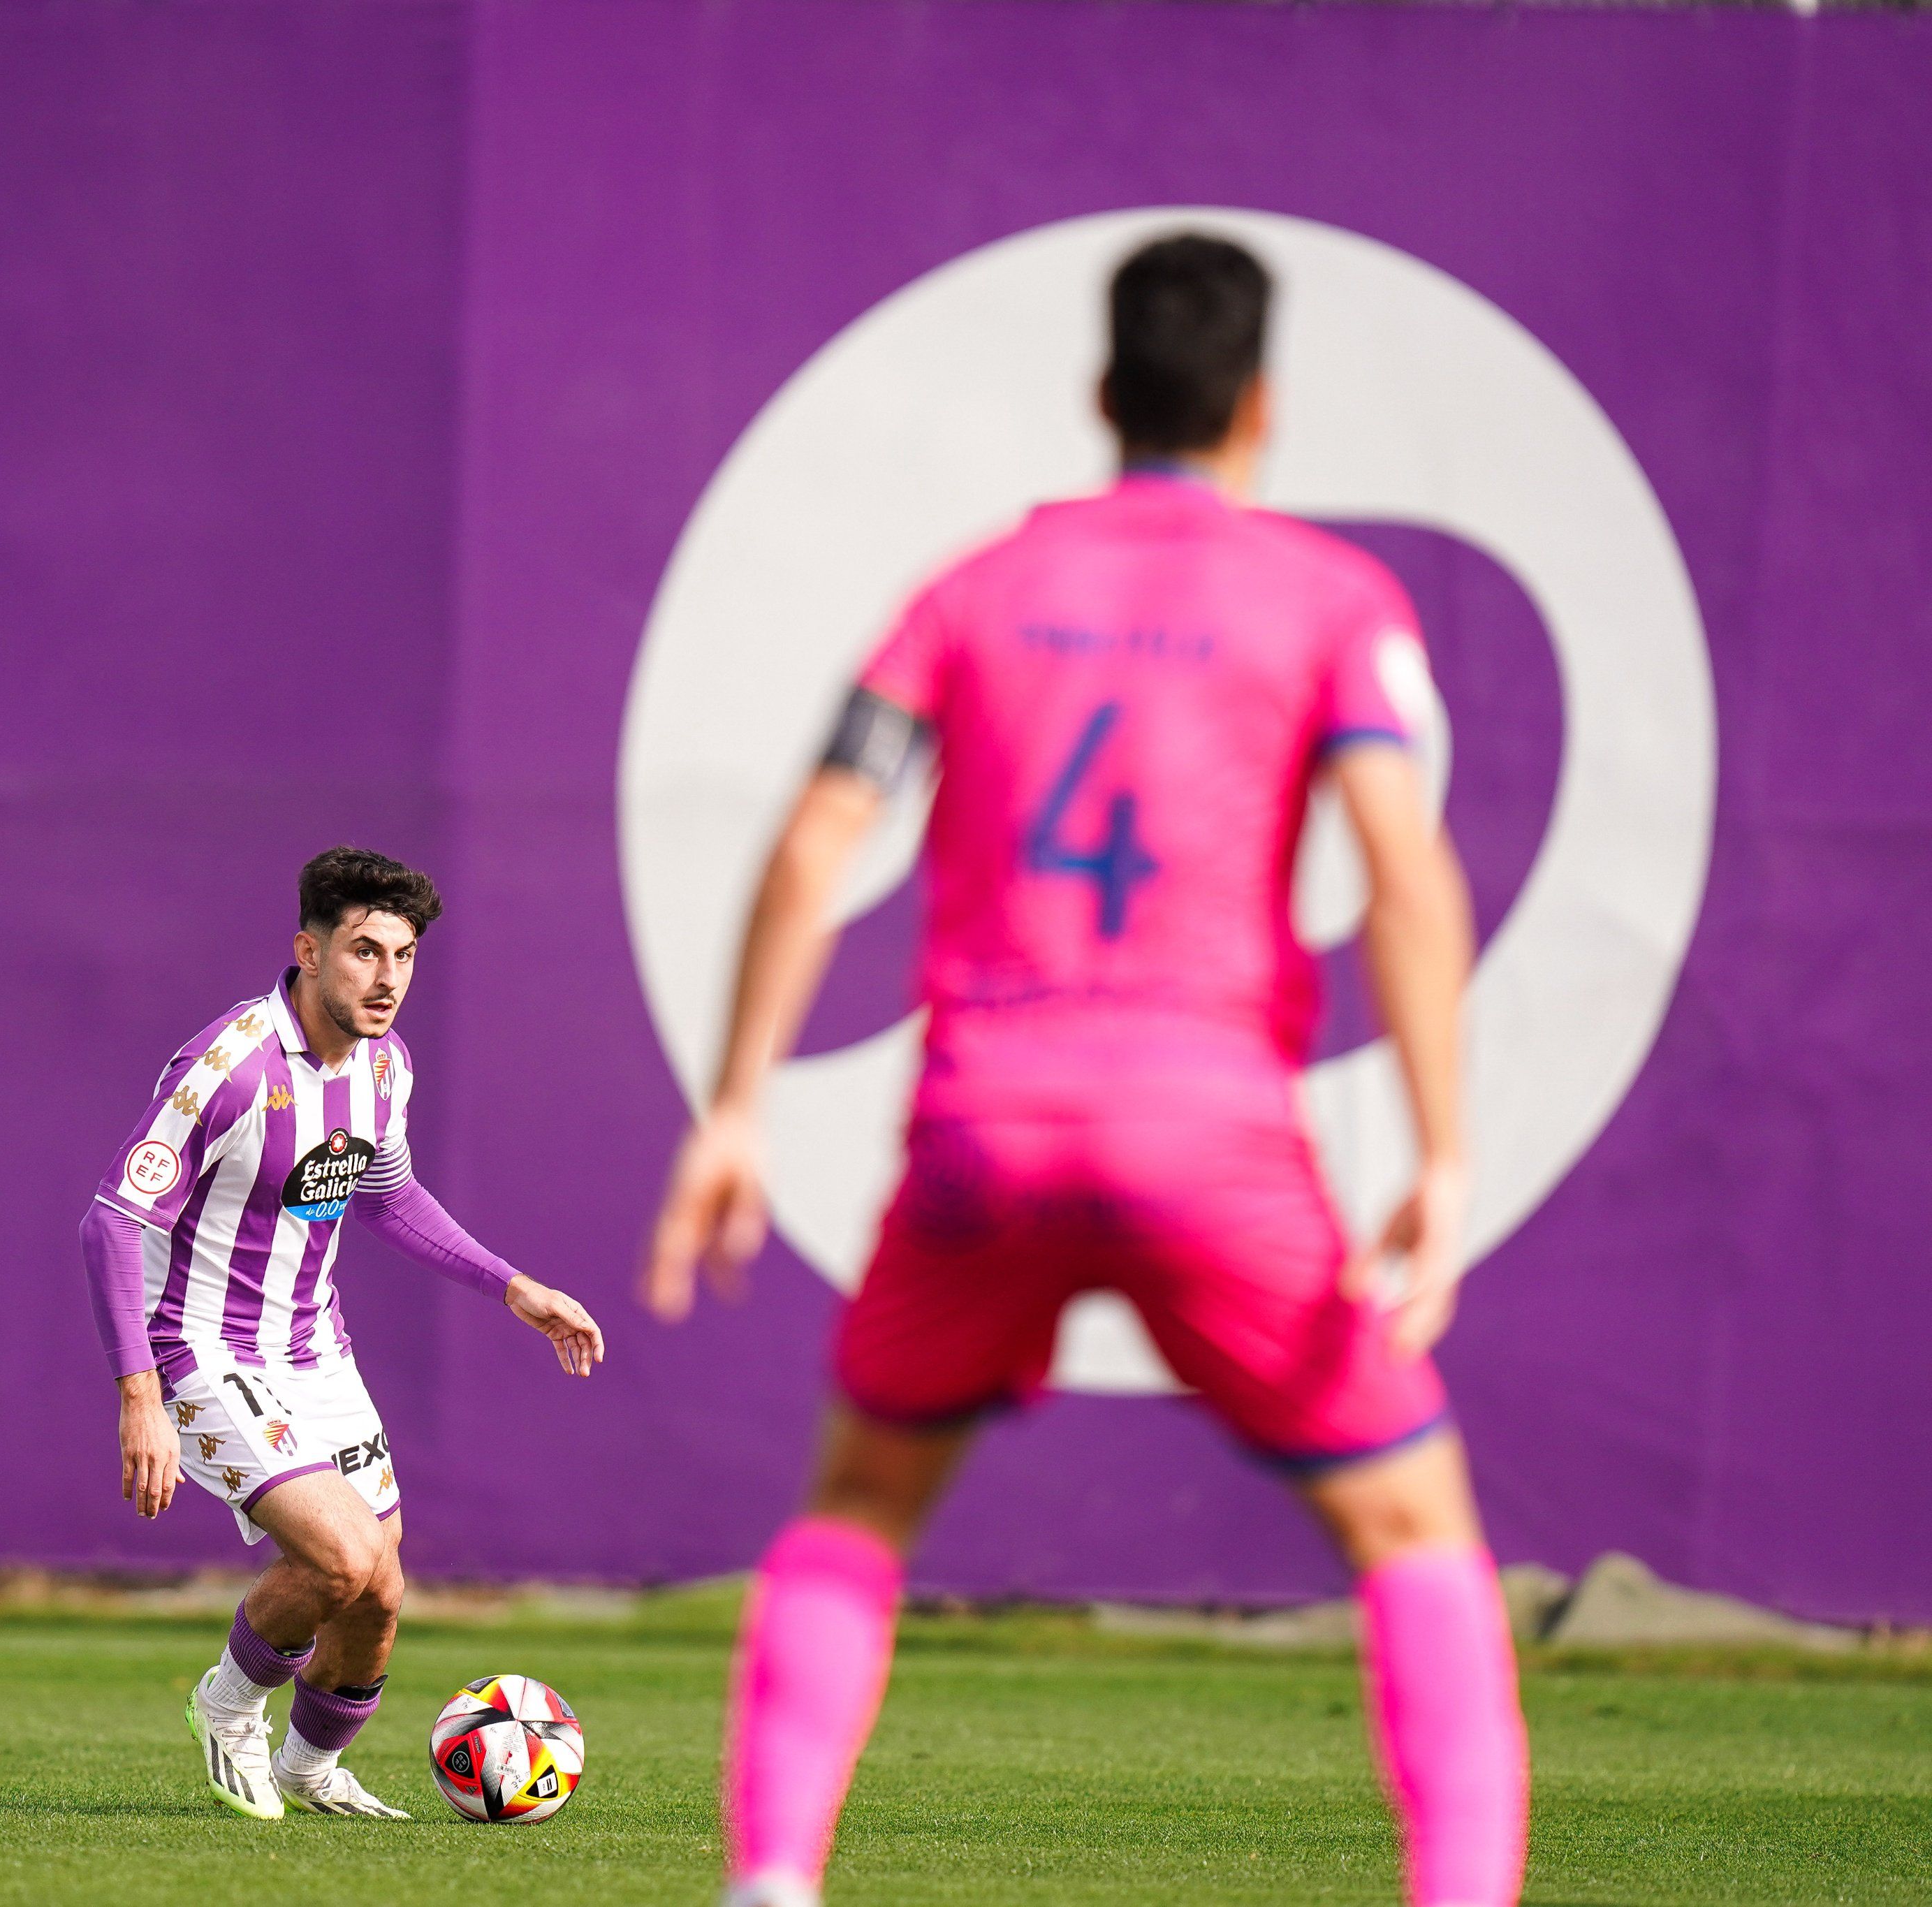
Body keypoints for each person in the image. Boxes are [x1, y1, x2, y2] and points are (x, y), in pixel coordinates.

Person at [641, 235, 1526, 1907]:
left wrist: (737, 1104)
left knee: (856, 1504)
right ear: (1259, 404)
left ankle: (769, 1884)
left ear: (1098, 396)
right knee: (1409, 1531)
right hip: (1213, 1142)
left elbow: (821, 830)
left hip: (985, 1133)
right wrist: (1442, 1150)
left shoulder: (969, 590)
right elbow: (1404, 875)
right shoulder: (1332, 600)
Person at [85, 845, 605, 1820]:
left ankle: (308, 1768)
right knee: (339, 1557)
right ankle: (227, 1703)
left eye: (404, 956)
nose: (387, 978)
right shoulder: (231, 1064)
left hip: (315, 1353)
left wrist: (513, 1286)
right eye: (365, 951)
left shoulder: (384, 1067)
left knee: (379, 1595)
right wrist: (140, 1394)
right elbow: (115, 1219)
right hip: (202, 1346)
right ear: (309, 951)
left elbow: (387, 1193)